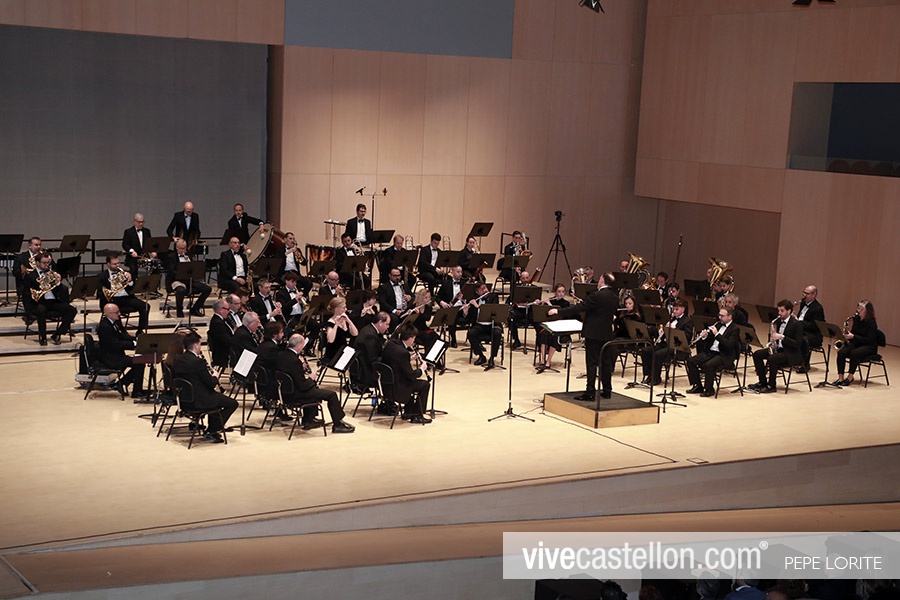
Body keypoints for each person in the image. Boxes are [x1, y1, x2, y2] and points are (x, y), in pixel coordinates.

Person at [549, 272, 619, 400]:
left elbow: (579, 308)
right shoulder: (615, 296)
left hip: (593, 334)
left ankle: (590, 392)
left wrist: (558, 311)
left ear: (603, 281)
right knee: (605, 363)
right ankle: (607, 390)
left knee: (591, 363)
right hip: (607, 334)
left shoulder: (597, 295)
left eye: (600, 279)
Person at [275, 333, 355, 433]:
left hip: (284, 393)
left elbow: (292, 373)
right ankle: (338, 424)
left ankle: (308, 419)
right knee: (331, 395)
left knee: (314, 389)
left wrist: (302, 367)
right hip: (296, 395)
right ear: (298, 345)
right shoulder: (295, 361)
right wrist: (311, 378)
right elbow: (303, 386)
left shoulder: (281, 355)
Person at [172, 330, 237, 443]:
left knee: (217, 399)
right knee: (232, 403)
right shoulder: (198, 362)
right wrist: (215, 376)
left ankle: (212, 430)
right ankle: (212, 430)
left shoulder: (178, 359)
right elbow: (211, 383)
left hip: (184, 400)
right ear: (196, 345)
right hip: (199, 401)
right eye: (200, 344)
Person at [749, 299, 804, 393]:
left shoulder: (796, 324)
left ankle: (772, 386)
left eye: (782, 311)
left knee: (772, 359)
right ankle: (762, 382)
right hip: (779, 349)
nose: (779, 313)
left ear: (789, 311)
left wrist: (782, 337)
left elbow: (797, 343)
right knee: (757, 354)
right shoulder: (779, 321)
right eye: (778, 310)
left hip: (791, 353)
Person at [381, 325, 432, 424]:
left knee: (412, 381)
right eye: (414, 338)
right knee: (425, 385)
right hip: (398, 388)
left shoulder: (391, 344)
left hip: (387, 385)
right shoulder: (403, 353)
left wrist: (410, 358)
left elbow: (396, 361)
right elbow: (410, 375)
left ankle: (409, 412)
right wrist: (421, 369)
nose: (414, 341)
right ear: (410, 338)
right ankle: (417, 415)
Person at [686, 306, 741, 397]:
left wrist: (717, 334)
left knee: (708, 365)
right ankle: (698, 386)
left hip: (724, 355)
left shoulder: (735, 329)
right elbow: (710, 340)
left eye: (722, 316)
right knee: (691, 361)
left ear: (730, 317)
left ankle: (709, 389)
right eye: (719, 315)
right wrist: (705, 336)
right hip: (711, 352)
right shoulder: (718, 325)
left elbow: (728, 345)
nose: (719, 317)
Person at [23, 252, 76, 346]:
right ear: (37, 263)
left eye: (48, 263)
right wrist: (28, 311)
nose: (47, 265)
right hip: (38, 303)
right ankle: (43, 337)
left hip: (53, 302)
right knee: (41, 310)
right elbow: (26, 294)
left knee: (72, 310)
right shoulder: (30, 276)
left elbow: (62, 291)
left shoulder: (52, 274)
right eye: (44, 263)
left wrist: (58, 283)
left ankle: (57, 334)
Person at [96, 303, 145, 399]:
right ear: (109, 313)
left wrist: (136, 339)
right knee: (139, 363)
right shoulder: (105, 327)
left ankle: (121, 383)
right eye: (117, 312)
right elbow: (115, 344)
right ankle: (135, 391)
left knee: (139, 362)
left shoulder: (115, 322)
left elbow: (122, 336)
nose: (119, 314)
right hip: (110, 358)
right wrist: (133, 344)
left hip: (117, 355)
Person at [640, 298, 693, 385]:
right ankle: (649, 374)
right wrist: (662, 331)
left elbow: (687, 337)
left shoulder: (687, 321)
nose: (674, 311)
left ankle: (656, 378)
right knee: (645, 351)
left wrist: (675, 329)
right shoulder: (671, 319)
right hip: (665, 344)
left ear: (683, 309)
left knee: (658, 354)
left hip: (678, 347)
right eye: (673, 309)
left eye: (677, 309)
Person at [97, 254, 150, 334]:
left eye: (118, 263)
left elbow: (133, 288)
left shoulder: (125, 273)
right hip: (111, 300)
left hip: (126, 298)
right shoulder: (102, 276)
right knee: (114, 310)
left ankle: (140, 330)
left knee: (145, 306)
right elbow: (99, 293)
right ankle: (122, 332)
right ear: (108, 264)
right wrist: (111, 292)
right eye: (114, 264)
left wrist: (130, 281)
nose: (117, 265)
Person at [833, 299, 878, 386]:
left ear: (867, 311)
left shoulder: (871, 323)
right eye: (858, 308)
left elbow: (870, 340)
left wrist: (853, 336)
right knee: (842, 352)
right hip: (857, 343)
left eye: (861, 309)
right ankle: (840, 378)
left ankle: (850, 377)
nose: (858, 311)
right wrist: (847, 336)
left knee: (854, 353)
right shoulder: (856, 319)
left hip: (869, 346)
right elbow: (854, 332)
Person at [164, 239, 211, 318]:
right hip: (176, 280)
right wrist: (182, 272)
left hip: (188, 280)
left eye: (184, 248)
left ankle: (195, 308)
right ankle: (179, 310)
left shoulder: (188, 255)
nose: (183, 250)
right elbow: (171, 272)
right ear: (176, 248)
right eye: (181, 248)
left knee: (207, 289)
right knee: (181, 290)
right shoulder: (171, 257)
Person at [464, 281, 502, 370]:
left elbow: (491, 310)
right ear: (477, 292)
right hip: (479, 326)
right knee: (471, 334)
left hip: (492, 324)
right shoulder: (474, 300)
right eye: (482, 289)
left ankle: (492, 358)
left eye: (485, 288)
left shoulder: (493, 297)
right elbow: (469, 319)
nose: (485, 290)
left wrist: (477, 306)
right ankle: (481, 356)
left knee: (497, 333)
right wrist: (465, 313)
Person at [535, 283, 571, 373]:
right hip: (549, 326)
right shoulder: (551, 300)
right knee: (543, 334)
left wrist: (549, 304)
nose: (561, 294)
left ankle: (548, 361)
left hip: (561, 328)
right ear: (555, 292)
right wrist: (541, 303)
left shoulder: (566, 304)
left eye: (563, 292)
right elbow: (544, 314)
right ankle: (542, 360)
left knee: (554, 337)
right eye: (559, 292)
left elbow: (561, 315)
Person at [278, 271, 320, 343]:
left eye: (295, 282)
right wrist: (295, 300)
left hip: (301, 316)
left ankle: (307, 345)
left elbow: (304, 306)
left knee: (316, 326)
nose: (295, 284)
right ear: (286, 281)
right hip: (291, 317)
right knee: (297, 331)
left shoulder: (298, 291)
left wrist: (302, 302)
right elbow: (284, 308)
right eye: (292, 282)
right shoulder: (281, 293)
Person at [353, 311, 390, 391]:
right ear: (380, 322)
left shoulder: (369, 328)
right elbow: (373, 359)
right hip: (366, 372)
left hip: (364, 365)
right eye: (387, 324)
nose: (388, 327)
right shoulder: (370, 336)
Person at [795, 284, 825, 372]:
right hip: (803, 330)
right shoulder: (803, 303)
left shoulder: (818, 308)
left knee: (802, 339)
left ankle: (805, 365)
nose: (804, 295)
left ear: (814, 295)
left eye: (807, 293)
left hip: (813, 334)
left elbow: (815, 326)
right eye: (804, 292)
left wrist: (799, 322)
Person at [436, 265, 467, 347]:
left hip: (462, 308)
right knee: (452, 316)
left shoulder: (465, 284)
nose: (460, 274)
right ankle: (453, 339)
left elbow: (470, 298)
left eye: (461, 272)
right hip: (451, 308)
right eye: (458, 272)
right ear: (452, 272)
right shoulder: (446, 284)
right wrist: (443, 303)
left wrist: (464, 301)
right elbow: (437, 297)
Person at [322, 296, 358, 365]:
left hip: (345, 351)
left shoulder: (345, 318)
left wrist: (348, 321)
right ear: (336, 309)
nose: (346, 309)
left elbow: (355, 333)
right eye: (344, 308)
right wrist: (336, 324)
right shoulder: (330, 322)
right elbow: (330, 340)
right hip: (334, 353)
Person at [207, 298, 235, 370]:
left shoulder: (222, 320)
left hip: (225, 350)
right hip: (223, 354)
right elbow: (227, 341)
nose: (229, 311)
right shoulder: (217, 323)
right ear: (221, 310)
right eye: (228, 309)